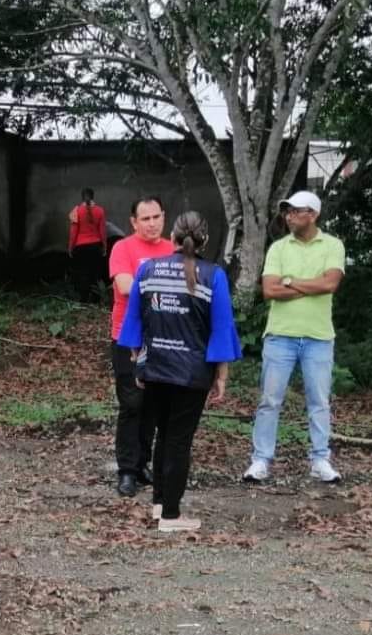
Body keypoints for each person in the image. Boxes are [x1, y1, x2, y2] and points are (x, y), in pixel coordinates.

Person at [118, 211, 242, 532]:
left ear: (172, 237)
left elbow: (134, 319)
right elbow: (222, 329)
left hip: (155, 368)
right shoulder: (213, 275)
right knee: (178, 441)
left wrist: (136, 358)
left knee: (162, 436)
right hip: (192, 373)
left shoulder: (147, 269)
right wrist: (222, 375)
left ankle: (160, 505)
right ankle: (171, 516)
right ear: (205, 241)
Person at [243, 190, 346, 484]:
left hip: (318, 336)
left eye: (295, 211)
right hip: (280, 335)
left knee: (319, 401)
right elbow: (269, 290)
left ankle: (320, 459)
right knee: (269, 401)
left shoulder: (333, 245)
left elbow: (330, 284)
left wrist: (289, 281)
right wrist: (310, 286)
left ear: (312, 214)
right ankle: (260, 460)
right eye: (287, 212)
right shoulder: (278, 248)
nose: (289, 217)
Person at [109, 196, 175, 497]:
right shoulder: (123, 248)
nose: (152, 223)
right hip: (128, 337)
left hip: (164, 338)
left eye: (156, 217)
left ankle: (141, 464)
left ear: (164, 217)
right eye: (145, 219)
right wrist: (166, 284)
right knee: (132, 403)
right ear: (134, 222)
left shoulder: (172, 249)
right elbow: (124, 286)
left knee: (153, 404)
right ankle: (126, 470)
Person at [68, 188, 108, 303]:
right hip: (96, 246)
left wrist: (70, 247)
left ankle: (84, 300)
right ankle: (96, 300)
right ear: (93, 196)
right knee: (95, 273)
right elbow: (103, 231)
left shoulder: (76, 211)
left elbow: (73, 232)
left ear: (82, 197)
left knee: (82, 274)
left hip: (80, 248)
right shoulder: (100, 211)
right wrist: (104, 246)